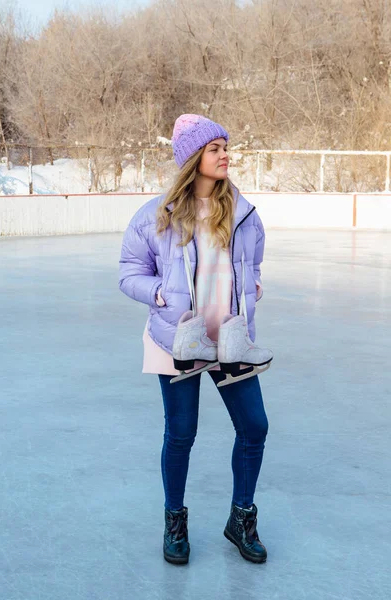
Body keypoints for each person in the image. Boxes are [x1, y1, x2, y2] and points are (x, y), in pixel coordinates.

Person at [119, 114, 272, 566]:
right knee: (182, 433)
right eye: (215, 148)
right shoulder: (155, 216)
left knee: (255, 427)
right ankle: (174, 519)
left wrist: (253, 286)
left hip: (230, 340)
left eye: (227, 146)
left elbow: (255, 262)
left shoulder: (243, 213)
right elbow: (129, 274)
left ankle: (241, 517)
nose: (226, 155)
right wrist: (160, 294)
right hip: (178, 340)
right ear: (192, 159)